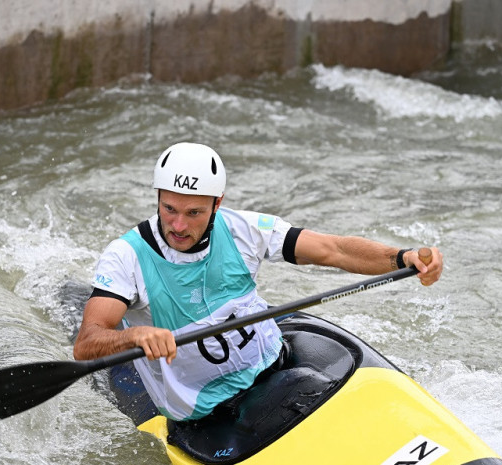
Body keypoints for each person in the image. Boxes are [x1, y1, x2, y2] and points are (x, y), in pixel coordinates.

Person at [73, 142, 443, 422]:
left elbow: (334, 250)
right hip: (206, 410)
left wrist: (401, 256)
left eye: (194, 212)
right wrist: (133, 336)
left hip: (275, 366)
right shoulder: (126, 256)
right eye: (169, 209)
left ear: (217, 203)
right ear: (157, 198)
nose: (179, 226)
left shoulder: (243, 229)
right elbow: (88, 341)